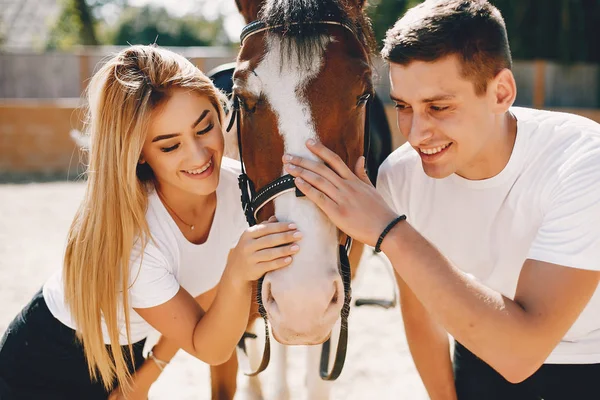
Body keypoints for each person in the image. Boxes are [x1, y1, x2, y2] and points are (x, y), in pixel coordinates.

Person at [280, 1, 600, 399]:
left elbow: (522, 352)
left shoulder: (584, 161)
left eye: (439, 107)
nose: (415, 134)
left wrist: (388, 230)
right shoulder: (400, 177)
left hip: (586, 365)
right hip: (477, 351)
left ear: (501, 92)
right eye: (403, 107)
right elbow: (423, 315)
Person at [0, 45, 302, 400]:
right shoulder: (136, 238)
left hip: (128, 351)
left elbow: (197, 297)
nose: (199, 156)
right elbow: (209, 347)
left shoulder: (242, 190)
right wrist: (236, 274)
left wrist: (148, 374)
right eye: (169, 146)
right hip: (46, 359)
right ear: (139, 154)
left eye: (204, 127)